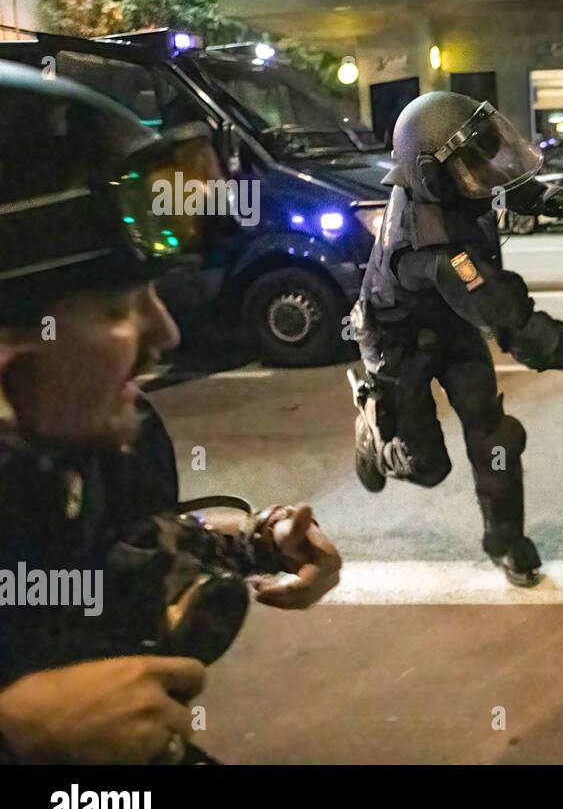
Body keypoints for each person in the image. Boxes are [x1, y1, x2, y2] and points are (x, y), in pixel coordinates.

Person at [0, 61, 342, 764]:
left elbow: (105, 547)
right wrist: (19, 729)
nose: (166, 335)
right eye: (118, 307)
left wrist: (256, 546)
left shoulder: (98, 445)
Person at [349, 91, 563, 588]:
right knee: (428, 468)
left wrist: (535, 197)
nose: (483, 168)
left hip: (450, 322)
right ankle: (374, 428)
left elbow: (478, 177)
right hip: (397, 342)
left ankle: (504, 543)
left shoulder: (435, 184)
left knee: (495, 438)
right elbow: (529, 337)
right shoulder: (440, 254)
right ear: (431, 173)